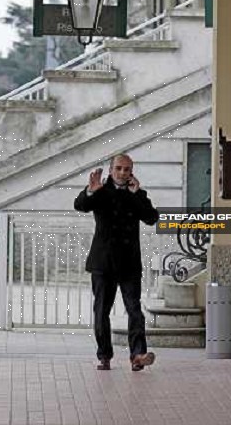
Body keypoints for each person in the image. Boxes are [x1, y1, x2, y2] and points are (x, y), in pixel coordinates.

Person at [74, 153, 159, 372]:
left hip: (129, 262)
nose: (122, 173)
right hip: (103, 262)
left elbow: (151, 218)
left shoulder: (137, 193)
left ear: (132, 171)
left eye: (127, 169)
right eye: (119, 168)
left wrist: (137, 194)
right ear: (111, 170)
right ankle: (104, 355)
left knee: (135, 310)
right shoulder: (100, 190)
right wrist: (90, 190)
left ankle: (138, 355)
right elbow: (80, 205)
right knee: (101, 311)